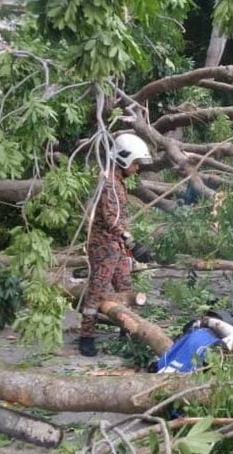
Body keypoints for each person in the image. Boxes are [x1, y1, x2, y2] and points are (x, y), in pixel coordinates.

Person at [79, 133, 153, 357]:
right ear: (123, 159)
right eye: (135, 163)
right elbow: (112, 219)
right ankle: (86, 337)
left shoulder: (117, 181)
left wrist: (129, 245)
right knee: (97, 291)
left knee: (125, 286)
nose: (138, 168)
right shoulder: (109, 184)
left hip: (116, 246)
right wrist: (132, 242)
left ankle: (125, 329)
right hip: (103, 247)